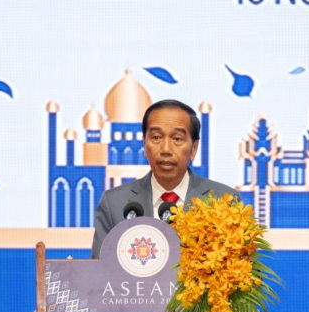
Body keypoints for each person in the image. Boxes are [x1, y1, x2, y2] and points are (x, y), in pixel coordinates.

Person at [90, 99, 237, 258]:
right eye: (156, 137)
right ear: (144, 146)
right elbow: (99, 274)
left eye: (177, 139)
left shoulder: (224, 201)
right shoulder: (114, 204)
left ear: (194, 149)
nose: (166, 149)